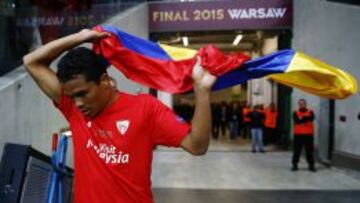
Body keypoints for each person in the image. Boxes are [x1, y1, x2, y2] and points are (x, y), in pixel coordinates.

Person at [23, 29, 217, 203]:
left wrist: (202, 91)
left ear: (104, 80)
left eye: (83, 94)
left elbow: (197, 146)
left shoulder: (145, 108)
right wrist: (80, 37)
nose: (78, 103)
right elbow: (31, 62)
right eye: (73, 97)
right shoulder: (72, 107)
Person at [291, 99, 316, 172]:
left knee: (309, 151)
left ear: (305, 104)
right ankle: (294, 165)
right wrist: (306, 119)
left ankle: (311, 166)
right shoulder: (295, 112)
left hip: (308, 135)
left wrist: (302, 118)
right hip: (298, 135)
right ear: (298, 104)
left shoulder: (310, 111)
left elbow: (311, 118)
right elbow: (297, 121)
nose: (301, 104)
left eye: (302, 103)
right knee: (297, 151)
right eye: (300, 103)